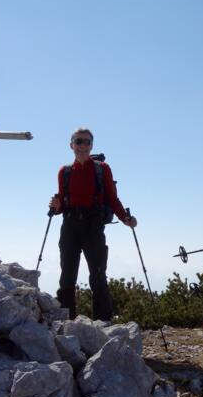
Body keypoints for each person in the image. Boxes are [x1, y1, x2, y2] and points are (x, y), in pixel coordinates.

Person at [49, 128, 137, 321]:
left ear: (91, 146)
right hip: (70, 226)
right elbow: (63, 204)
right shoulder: (64, 172)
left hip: (93, 226)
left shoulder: (102, 169)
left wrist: (126, 219)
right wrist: (56, 206)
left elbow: (113, 199)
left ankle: (103, 324)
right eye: (79, 141)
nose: (83, 146)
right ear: (71, 145)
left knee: (98, 275)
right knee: (67, 276)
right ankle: (66, 323)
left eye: (87, 142)